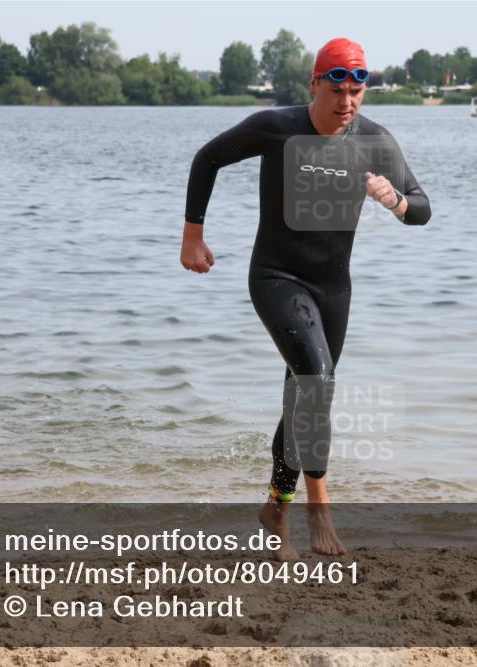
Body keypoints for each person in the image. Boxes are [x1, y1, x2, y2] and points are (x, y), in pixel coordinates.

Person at [180, 37, 431, 560]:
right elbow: (208, 158)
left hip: (333, 289)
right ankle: (320, 508)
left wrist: (397, 202)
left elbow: (422, 207)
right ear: (315, 84)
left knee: (306, 395)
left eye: (356, 91)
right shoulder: (278, 127)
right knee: (316, 380)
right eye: (336, 90)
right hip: (276, 277)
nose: (347, 102)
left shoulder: (374, 141)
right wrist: (193, 236)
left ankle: (276, 507)